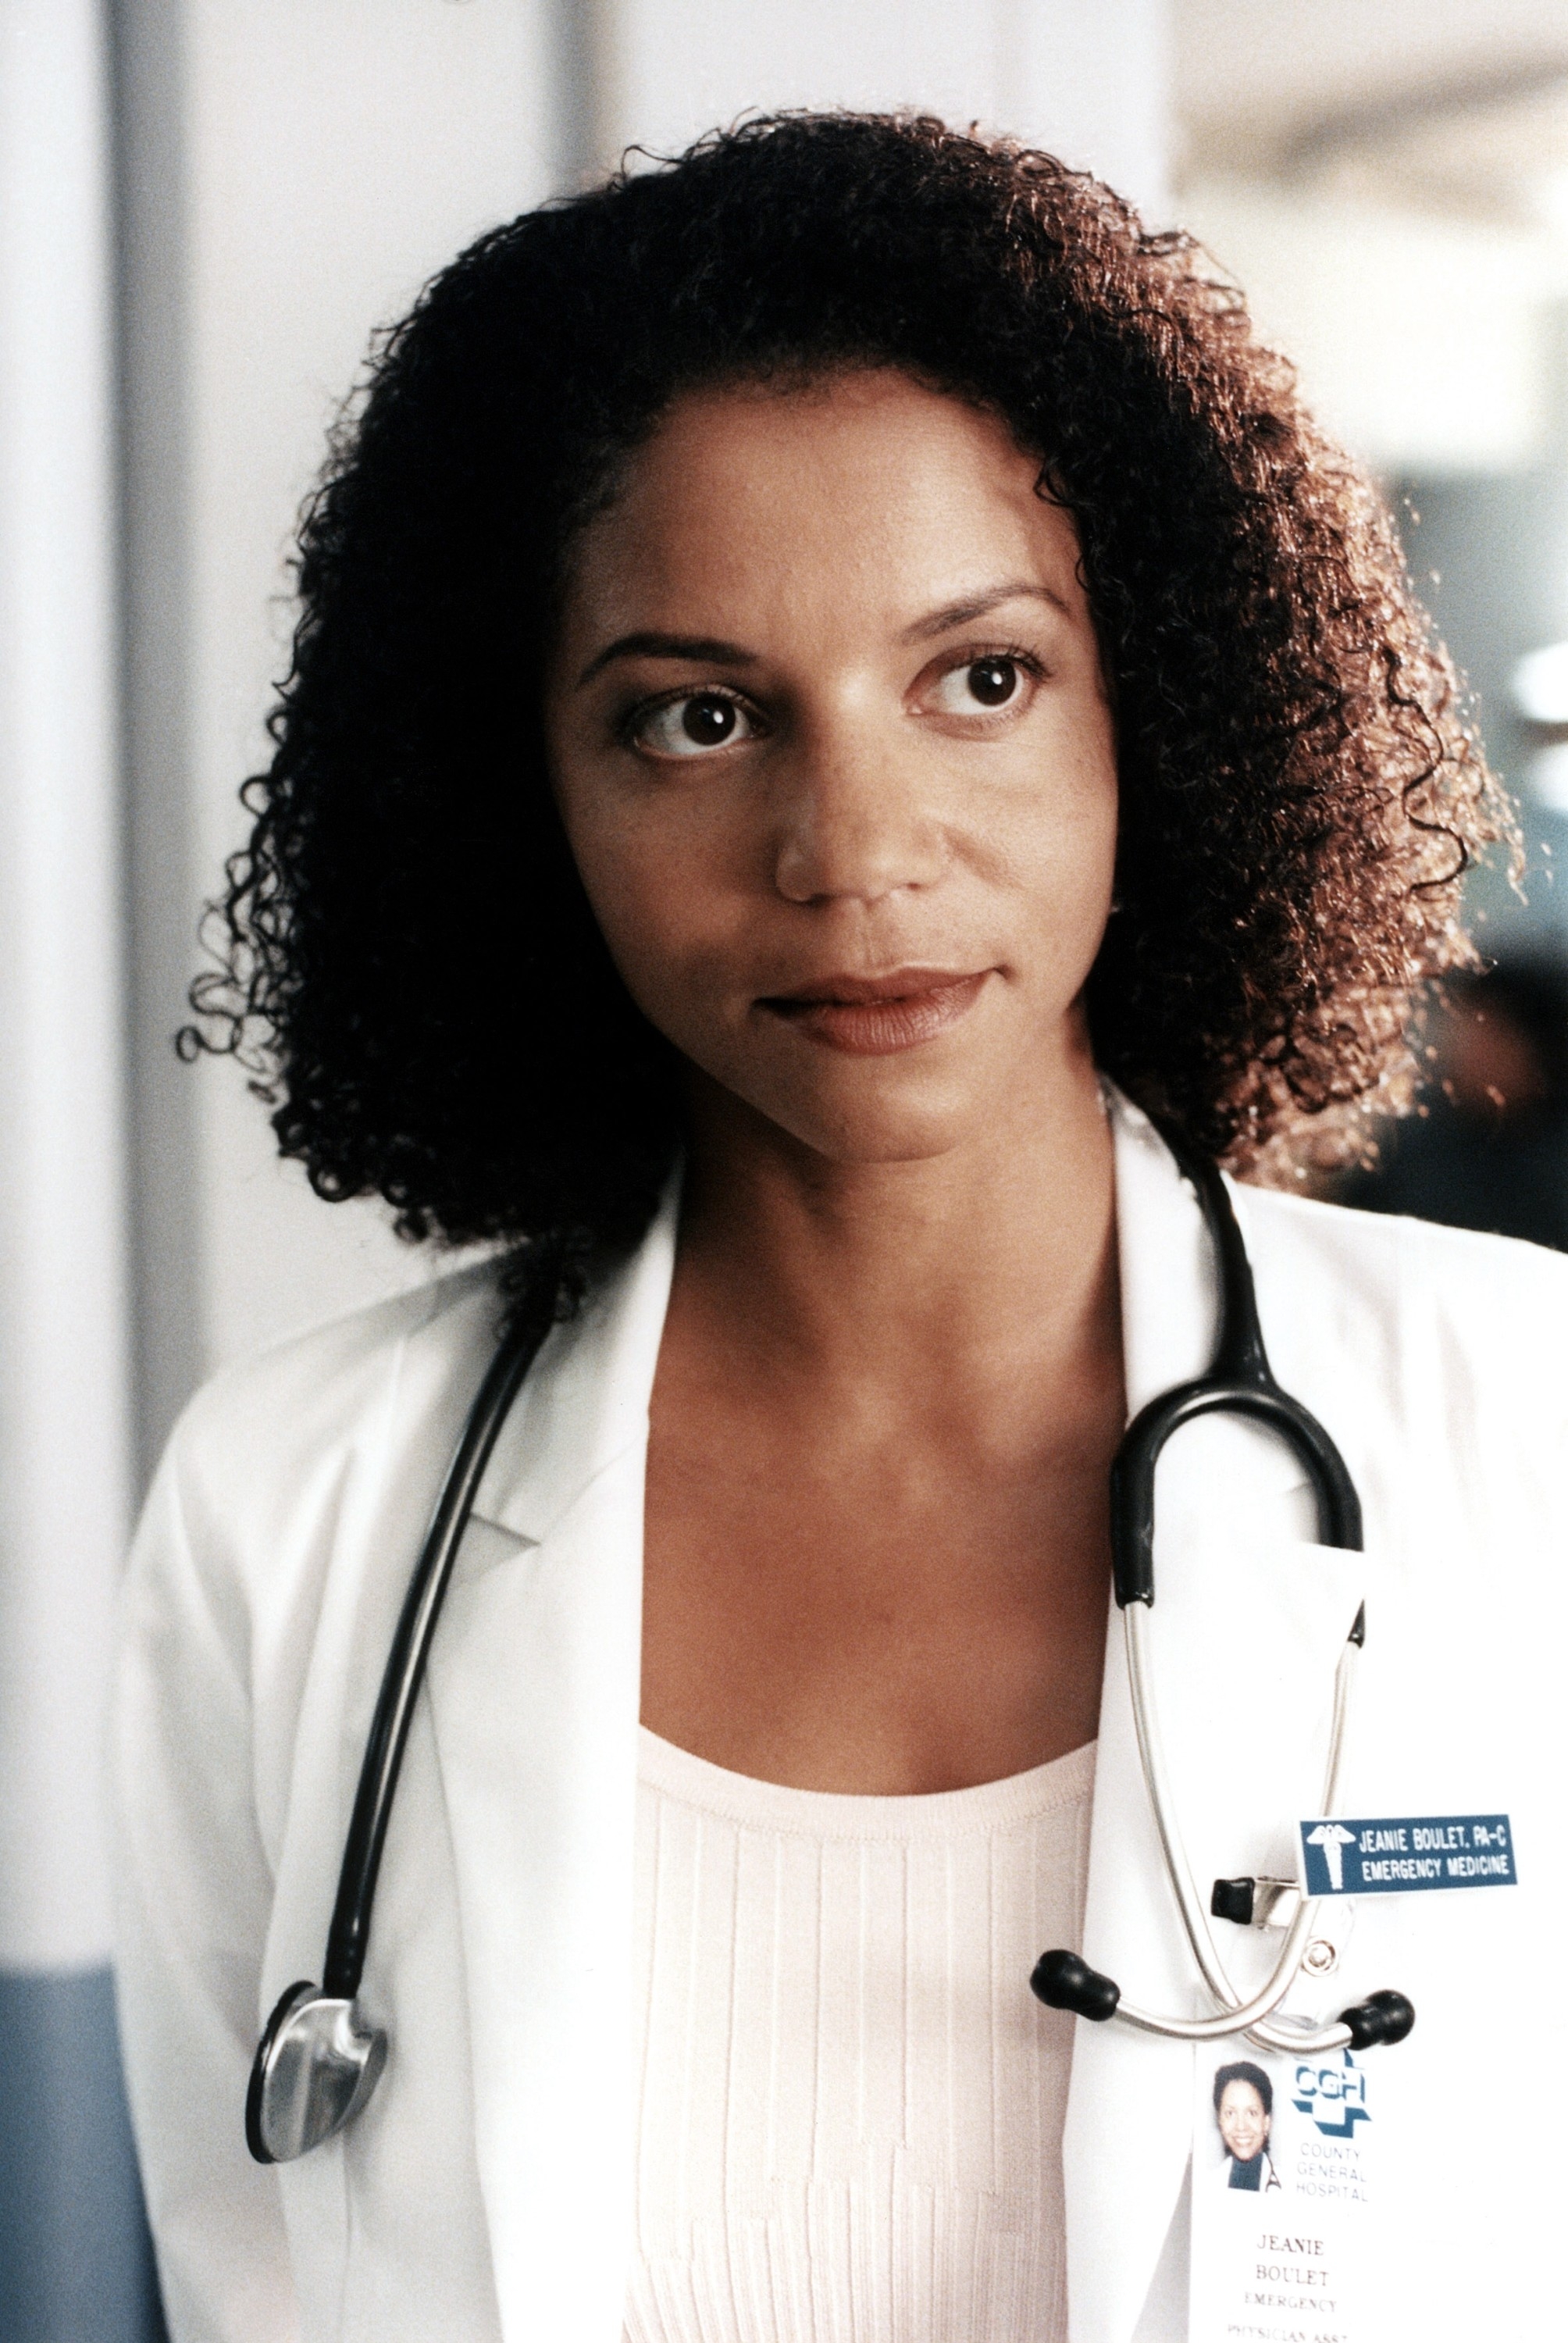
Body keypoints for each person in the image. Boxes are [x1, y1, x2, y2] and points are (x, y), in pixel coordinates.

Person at [112, 115, 1568, 2343]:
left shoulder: (1525, 1431)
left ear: (1151, 712)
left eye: (978, 678)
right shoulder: (294, 1516)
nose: (850, 849)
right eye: (697, 718)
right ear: (526, 795)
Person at [1210, 2063, 1280, 2193]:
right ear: (1220, 2120)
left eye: (1252, 2113)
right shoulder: (1205, 2186)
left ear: (1266, 2122)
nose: (1241, 2126)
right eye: (1230, 2113)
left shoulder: (1292, 2185)